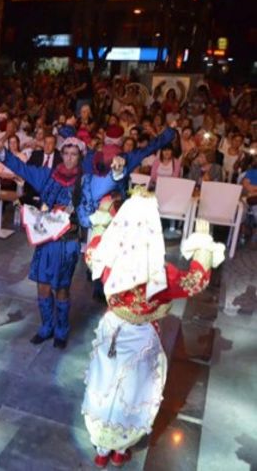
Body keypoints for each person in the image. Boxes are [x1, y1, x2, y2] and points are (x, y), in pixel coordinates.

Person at [82, 192, 225, 468]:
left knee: (105, 386)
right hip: (143, 337)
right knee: (134, 392)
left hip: (112, 329)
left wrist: (105, 216)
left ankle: (101, 449)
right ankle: (121, 448)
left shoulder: (107, 256)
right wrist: (203, 246)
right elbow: (195, 281)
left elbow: (94, 245)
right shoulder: (161, 273)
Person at [0, 138, 124, 349]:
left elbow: (108, 182)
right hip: (45, 240)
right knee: (42, 286)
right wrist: (2, 153)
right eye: (66, 153)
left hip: (68, 243)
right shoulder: (48, 175)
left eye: (74, 154)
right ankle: (46, 327)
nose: (69, 158)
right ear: (61, 154)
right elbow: (22, 169)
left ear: (80, 156)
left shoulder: (86, 181)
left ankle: (61, 330)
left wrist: (117, 171)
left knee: (61, 288)